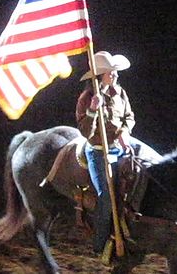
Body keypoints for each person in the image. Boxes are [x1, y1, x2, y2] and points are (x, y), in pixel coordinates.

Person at [75, 50, 136, 255]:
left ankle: (129, 229)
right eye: (111, 72)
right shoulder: (87, 97)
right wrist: (93, 109)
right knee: (106, 197)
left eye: (115, 72)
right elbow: (85, 132)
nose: (115, 75)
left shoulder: (120, 92)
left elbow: (129, 116)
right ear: (99, 75)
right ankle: (99, 245)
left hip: (118, 150)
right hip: (98, 152)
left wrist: (125, 133)